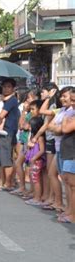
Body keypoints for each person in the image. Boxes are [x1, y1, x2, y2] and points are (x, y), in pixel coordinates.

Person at [0, 78, 20, 191]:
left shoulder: (12, 101)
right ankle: (1, 181)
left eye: (8, 86)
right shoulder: (2, 100)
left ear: (13, 88)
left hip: (8, 132)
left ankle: (8, 183)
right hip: (1, 131)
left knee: (6, 159)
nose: (6, 88)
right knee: (0, 158)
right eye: (4, 86)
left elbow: (0, 116)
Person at [60, 87, 75, 223]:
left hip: (72, 153)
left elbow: (64, 129)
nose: (73, 103)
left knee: (73, 184)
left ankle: (73, 215)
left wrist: (65, 120)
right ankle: (70, 211)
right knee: (69, 183)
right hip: (68, 150)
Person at [24, 115, 46, 206]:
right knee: (34, 179)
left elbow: (42, 150)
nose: (29, 127)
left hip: (37, 161)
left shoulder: (40, 137)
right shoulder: (32, 136)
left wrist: (34, 158)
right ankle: (35, 196)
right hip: (32, 160)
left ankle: (37, 198)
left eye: (30, 125)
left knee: (36, 179)